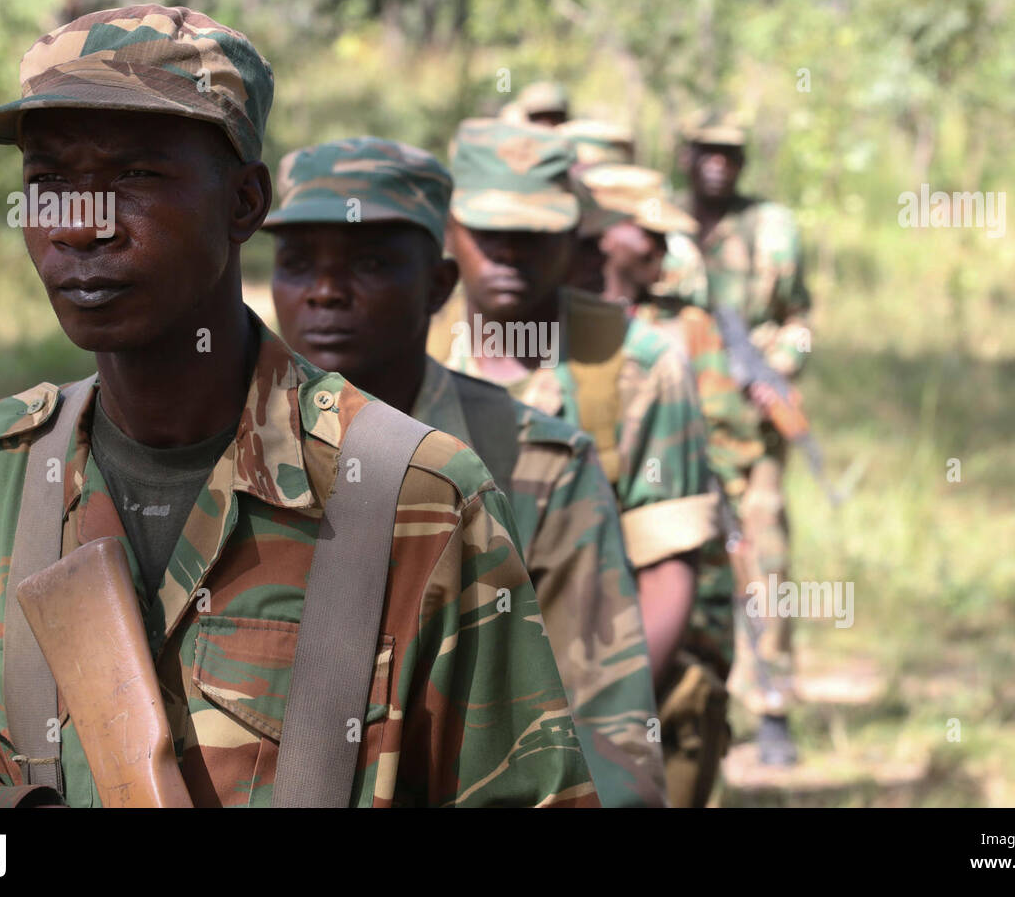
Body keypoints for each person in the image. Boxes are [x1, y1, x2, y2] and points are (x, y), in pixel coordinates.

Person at [0, 5, 597, 808]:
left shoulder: (415, 500)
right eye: (49, 183)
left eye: (134, 176)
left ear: (245, 204)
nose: (79, 226)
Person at [260, 135, 667, 807]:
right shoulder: (223, 450)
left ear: (438, 285)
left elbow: (607, 728)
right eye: (299, 264)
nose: (326, 292)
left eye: (369, 263)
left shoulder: (533, 461)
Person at [427, 119, 718, 713]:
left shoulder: (636, 364)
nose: (509, 249)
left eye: (534, 231)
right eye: (488, 229)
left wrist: (590, 740)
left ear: (574, 234)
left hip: (581, 693)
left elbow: (667, 573)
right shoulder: (408, 348)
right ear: (451, 230)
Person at [570, 161, 762, 804]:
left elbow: (732, 444)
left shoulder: (680, 331)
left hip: (674, 590)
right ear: (605, 235)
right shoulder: (534, 329)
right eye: (644, 233)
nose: (660, 249)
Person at [676, 109, 813, 766]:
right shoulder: (661, 229)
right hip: (672, 426)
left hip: (751, 431)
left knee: (766, 558)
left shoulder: (771, 230)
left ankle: (773, 709)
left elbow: (798, 319)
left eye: (730, 152)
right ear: (685, 154)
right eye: (706, 150)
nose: (718, 162)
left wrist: (777, 368)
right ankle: (691, 710)